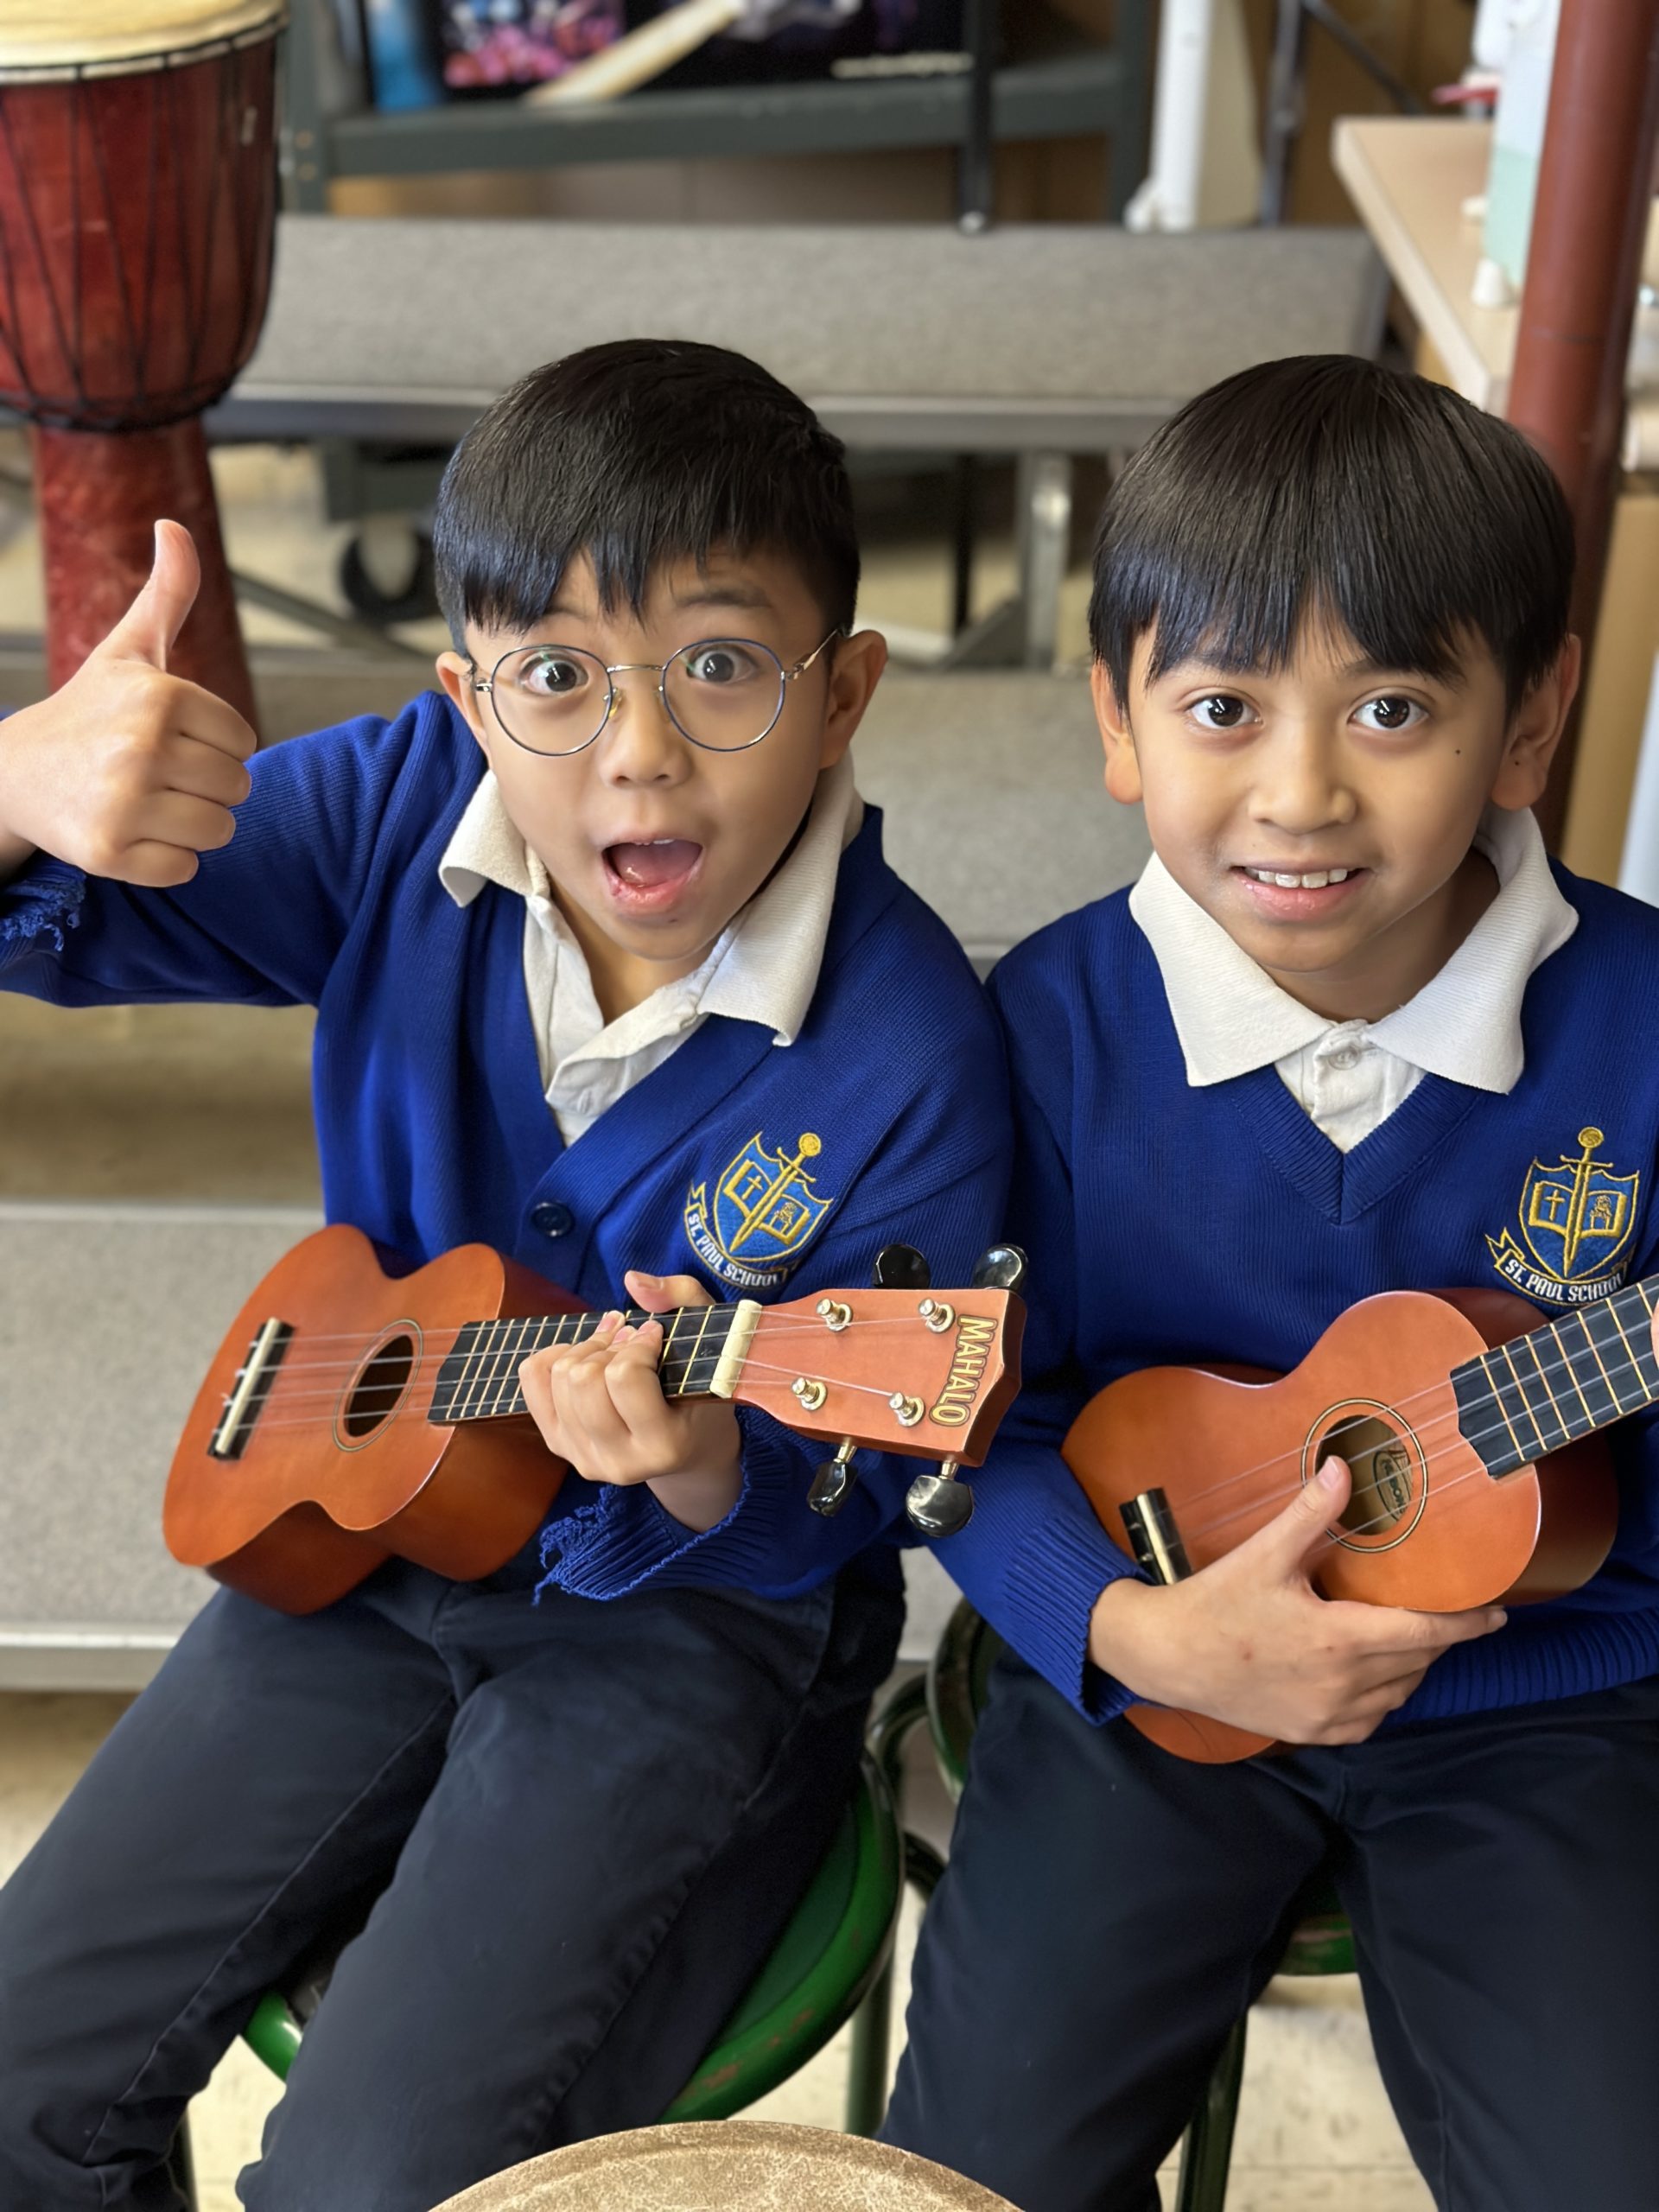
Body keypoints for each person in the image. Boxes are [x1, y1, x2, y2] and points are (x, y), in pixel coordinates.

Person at [0, 339, 1009, 2211]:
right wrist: (16, 777)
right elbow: (55, 922)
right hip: (358, 1541)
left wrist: (702, 1459)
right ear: (466, 697)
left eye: (723, 664)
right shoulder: (401, 806)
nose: (638, 751)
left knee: (373, 2179)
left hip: (691, 1626)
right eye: (555, 674)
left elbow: (857, 1479)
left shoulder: (914, 1053)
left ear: (845, 691)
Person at [882, 355, 1659, 2212]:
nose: (1300, 795)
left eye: (1391, 707)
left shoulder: (1642, 1022)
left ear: (1532, 716)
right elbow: (968, 1415)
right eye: (1223, 706)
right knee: (978, 2171)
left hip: (1549, 1702)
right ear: (1119, 720)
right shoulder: (1045, 1029)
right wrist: (1128, 1630)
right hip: (1152, 1667)